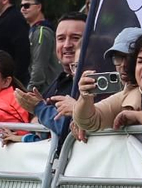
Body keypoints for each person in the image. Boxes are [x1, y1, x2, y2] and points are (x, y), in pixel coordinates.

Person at [13, 11, 87, 140]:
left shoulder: (94, 83)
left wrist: (39, 108)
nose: (67, 45)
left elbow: (72, 129)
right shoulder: (61, 79)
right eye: (61, 38)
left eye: (75, 38)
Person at [20, 0, 61, 90]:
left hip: (45, 91)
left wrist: (30, 90)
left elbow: (39, 65)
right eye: (21, 6)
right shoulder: (34, 30)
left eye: (27, 6)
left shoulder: (41, 32)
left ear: (39, 7)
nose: (22, 9)